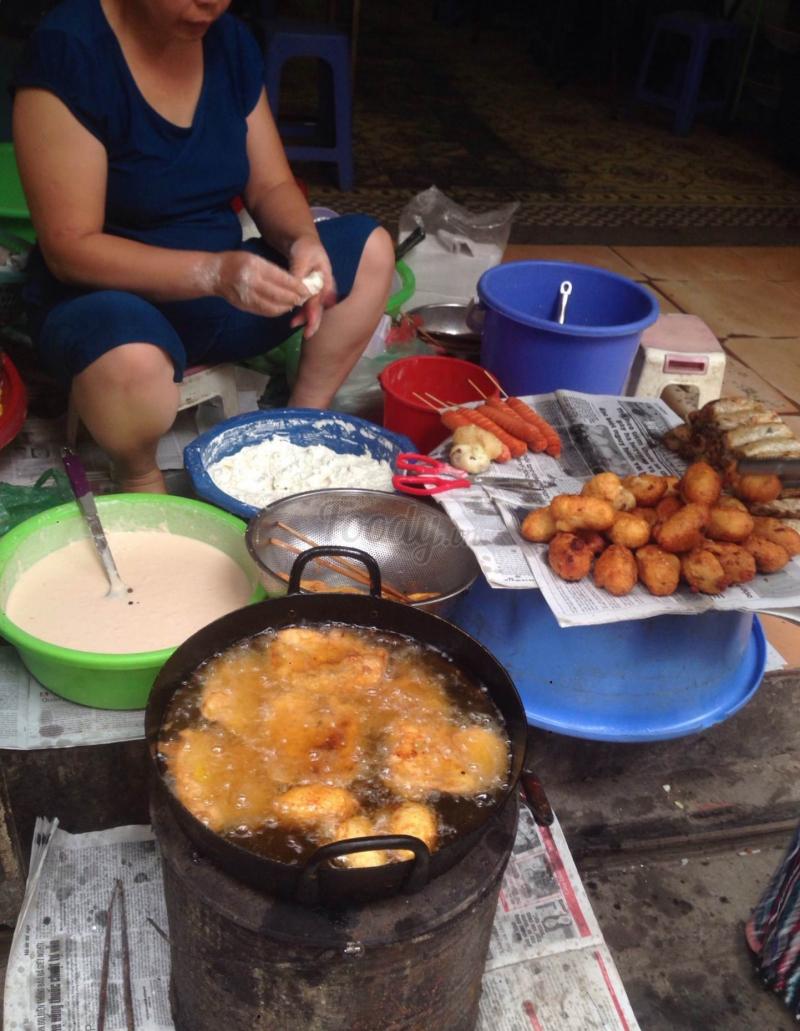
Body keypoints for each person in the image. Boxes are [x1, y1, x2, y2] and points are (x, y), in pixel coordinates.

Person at [11, 0, 395, 492]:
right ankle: (139, 474)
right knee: (132, 360)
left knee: (370, 251)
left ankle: (299, 429)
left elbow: (272, 185)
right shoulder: (70, 52)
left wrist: (302, 240)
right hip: (105, 303)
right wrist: (213, 273)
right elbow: (71, 250)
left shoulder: (229, 41)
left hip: (221, 294)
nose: (210, 2)